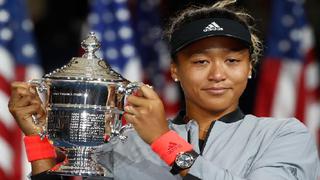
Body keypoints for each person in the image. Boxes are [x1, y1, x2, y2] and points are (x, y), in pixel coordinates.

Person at [8, 0, 319, 179]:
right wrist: (36, 138)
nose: (217, 74)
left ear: (249, 68)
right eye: (199, 61)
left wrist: (162, 141)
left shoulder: (285, 135)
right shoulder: (127, 144)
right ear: (175, 70)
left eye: (232, 60)